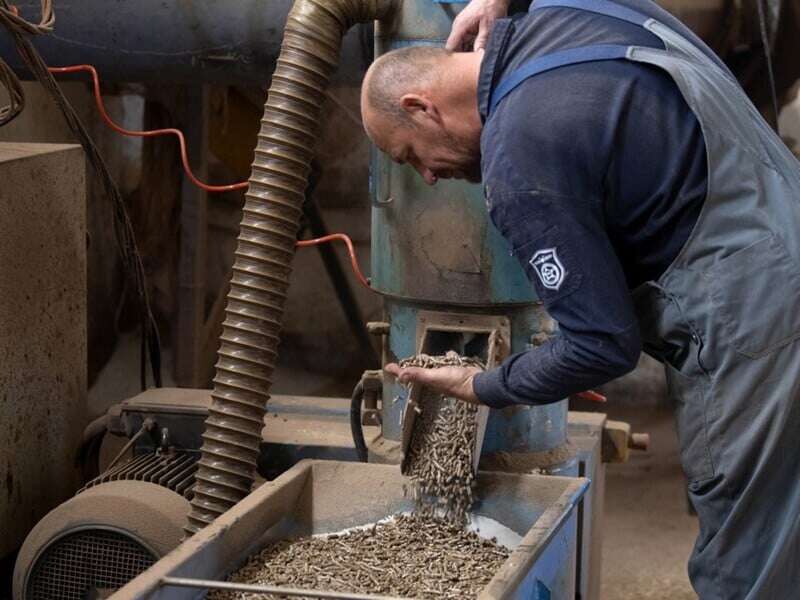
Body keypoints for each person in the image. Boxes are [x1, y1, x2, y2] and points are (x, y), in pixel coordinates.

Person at [361, 0, 800, 598]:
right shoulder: (569, 11)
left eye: (410, 156)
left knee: (748, 556)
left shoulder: (518, 164)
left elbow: (602, 344)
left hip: (757, 322)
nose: (428, 177)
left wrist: (483, 385)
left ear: (421, 107)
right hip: (783, 228)